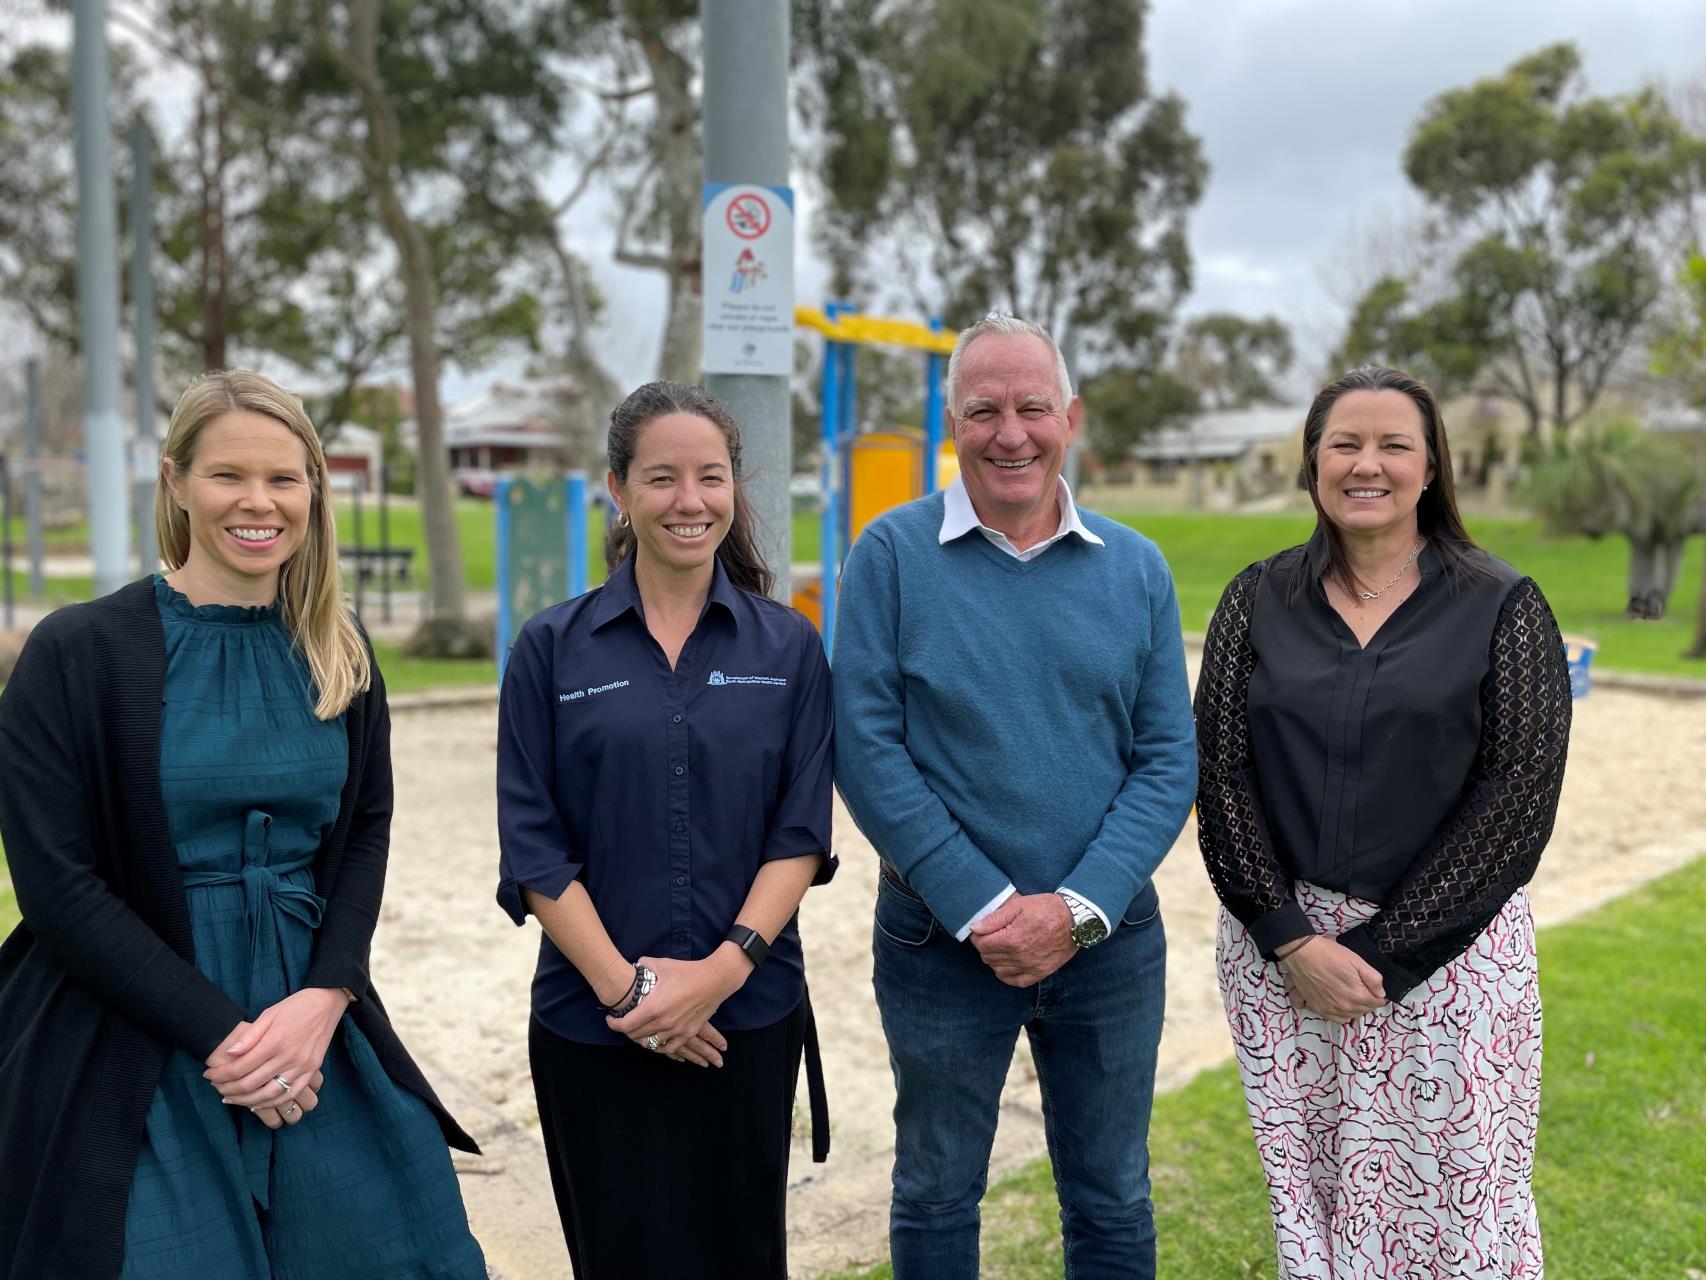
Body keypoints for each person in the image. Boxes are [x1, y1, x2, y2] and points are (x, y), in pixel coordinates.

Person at [0, 370, 486, 1279]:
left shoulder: (340, 651)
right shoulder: (78, 652)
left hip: (309, 1015)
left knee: (404, 1246)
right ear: (175, 480)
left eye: (284, 478)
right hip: (135, 1016)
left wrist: (327, 997)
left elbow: (367, 830)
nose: (258, 503)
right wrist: (222, 1036)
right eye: (228, 475)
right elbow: (58, 887)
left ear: (313, 491)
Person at [833, 314, 1197, 1280]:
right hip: (940, 944)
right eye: (984, 410)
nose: (1011, 433)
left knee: (1113, 1196)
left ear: (1069, 417)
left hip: (1110, 943)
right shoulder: (891, 555)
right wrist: (989, 908)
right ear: (953, 423)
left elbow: (1167, 759)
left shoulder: (1137, 568)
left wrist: (1076, 910)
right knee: (938, 1192)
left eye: (1032, 407)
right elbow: (866, 750)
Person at [1196, 365, 1571, 1278]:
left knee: (1459, 1206)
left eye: (1395, 445)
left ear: (1433, 466)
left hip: (1453, 961)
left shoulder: (1503, 605)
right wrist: (1289, 939)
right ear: (1312, 465)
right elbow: (1222, 773)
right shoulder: (1256, 598)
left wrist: (1383, 954)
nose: (1369, 465)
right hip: (1284, 960)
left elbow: (1516, 801)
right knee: (1318, 1207)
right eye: (1345, 444)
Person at [496, 380, 835, 1280]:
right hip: (591, 1024)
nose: (690, 501)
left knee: (741, 1259)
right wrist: (631, 996)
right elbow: (532, 847)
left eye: (711, 477)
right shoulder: (550, 648)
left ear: (734, 489)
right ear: (618, 489)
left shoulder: (788, 648)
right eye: (662, 478)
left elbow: (800, 834)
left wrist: (717, 976)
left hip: (745, 1019)